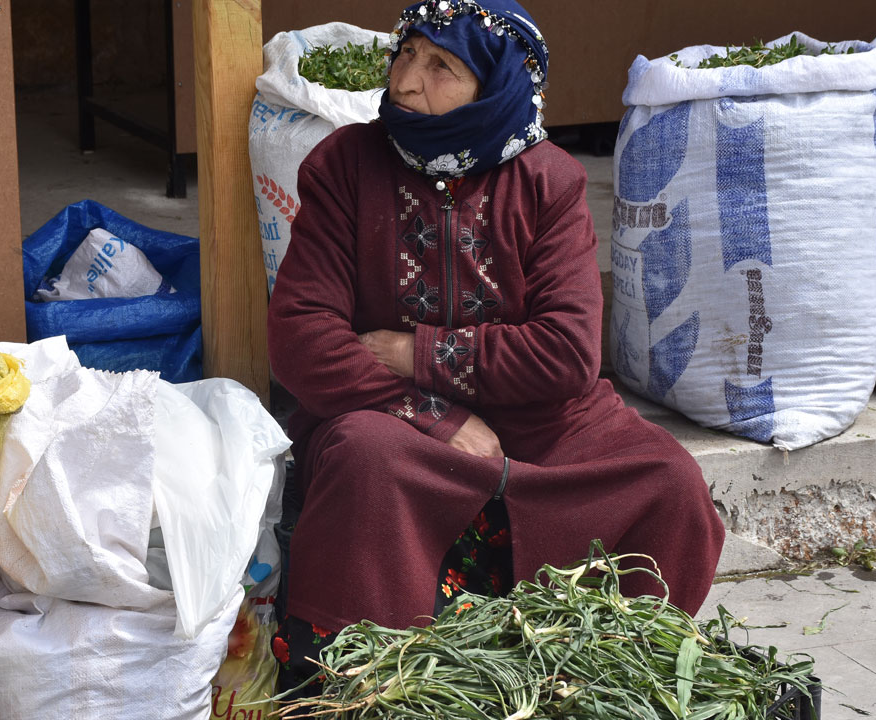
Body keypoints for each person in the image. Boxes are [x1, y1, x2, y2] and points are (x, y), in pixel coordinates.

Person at [266, 0, 725, 691]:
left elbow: (568, 353)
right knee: (364, 457)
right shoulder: (346, 165)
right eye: (406, 53)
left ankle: (599, 672)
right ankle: (372, 680)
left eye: (441, 67)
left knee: (671, 481)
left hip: (541, 426)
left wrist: (415, 352)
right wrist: (433, 415)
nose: (406, 82)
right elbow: (302, 336)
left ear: (497, 87)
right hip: (393, 419)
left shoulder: (550, 181)